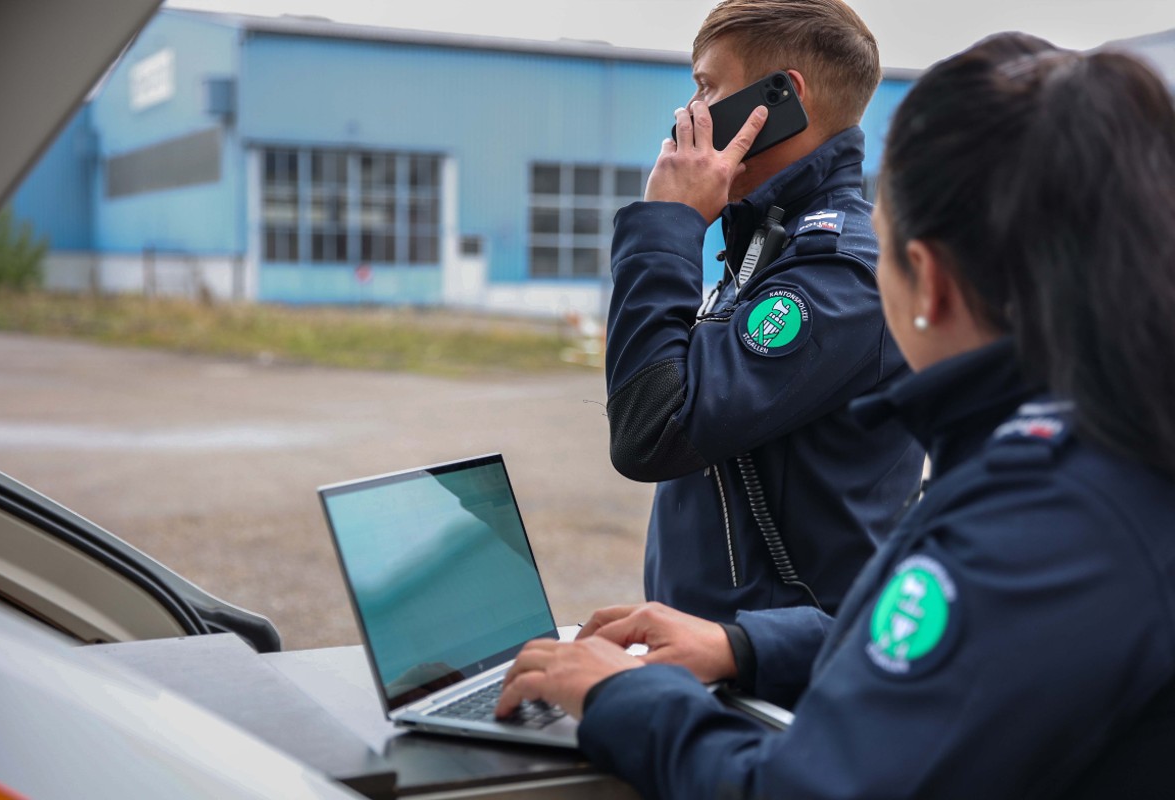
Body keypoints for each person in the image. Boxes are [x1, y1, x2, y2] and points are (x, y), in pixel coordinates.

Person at [499, 33, 1175, 798]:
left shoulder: (1038, 517)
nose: (692, 109)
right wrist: (747, 646)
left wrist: (621, 696)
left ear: (926, 278)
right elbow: (970, 648)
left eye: (884, 243)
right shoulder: (1096, 451)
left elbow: (806, 789)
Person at [605, 0, 925, 622]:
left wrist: (666, 225)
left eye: (706, 86)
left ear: (782, 98)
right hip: (716, 648)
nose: (689, 111)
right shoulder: (770, 243)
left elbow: (649, 432)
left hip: (778, 664)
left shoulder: (839, 274)